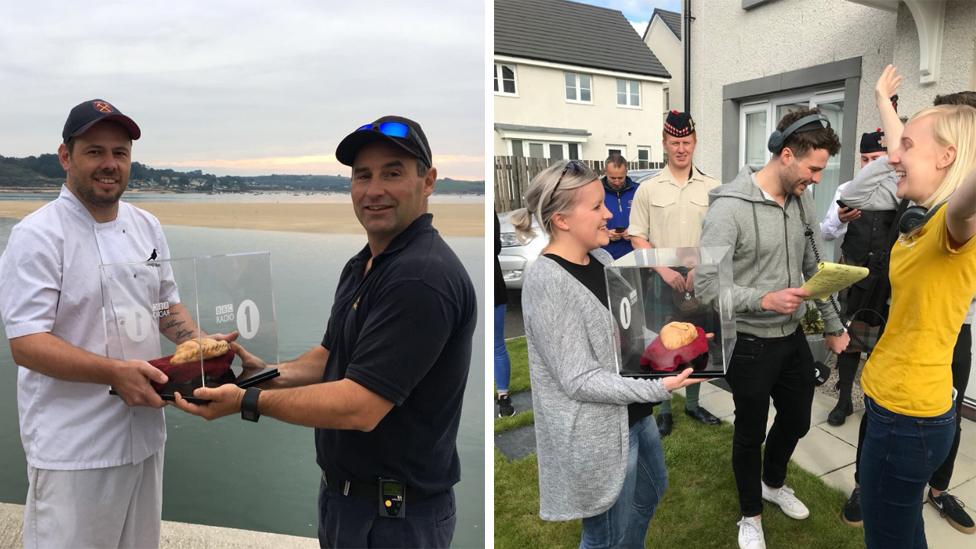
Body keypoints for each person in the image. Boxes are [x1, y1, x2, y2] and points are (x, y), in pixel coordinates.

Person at [174, 116, 476, 549]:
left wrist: (247, 400)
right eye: (363, 176)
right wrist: (266, 372)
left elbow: (360, 407)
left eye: (393, 173)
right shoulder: (366, 264)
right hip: (348, 504)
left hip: (396, 519)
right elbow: (331, 356)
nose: (374, 190)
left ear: (428, 181)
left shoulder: (420, 278)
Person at [0, 99, 204, 548]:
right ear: (65, 156)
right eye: (95, 151)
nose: (109, 164)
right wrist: (114, 372)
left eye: (120, 152)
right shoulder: (36, 235)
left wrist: (201, 346)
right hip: (74, 446)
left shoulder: (147, 225)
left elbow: (165, 305)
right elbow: (27, 342)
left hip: (146, 436)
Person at [512, 159, 706, 548]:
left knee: (652, 491)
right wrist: (658, 388)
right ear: (562, 220)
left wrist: (685, 339)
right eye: (597, 206)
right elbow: (579, 379)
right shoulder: (546, 281)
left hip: (633, 415)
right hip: (596, 432)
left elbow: (626, 329)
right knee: (604, 535)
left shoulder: (600, 260)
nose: (608, 214)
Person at [696, 108, 850, 549]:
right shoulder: (729, 209)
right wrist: (761, 299)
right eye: (814, 168)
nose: (818, 179)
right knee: (750, 432)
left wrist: (835, 326)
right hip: (748, 345)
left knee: (799, 421)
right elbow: (705, 286)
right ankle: (750, 515)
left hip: (793, 339)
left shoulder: (800, 200)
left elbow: (814, 268)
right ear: (786, 154)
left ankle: (772, 482)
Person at [839, 65, 976, 541]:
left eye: (908, 148)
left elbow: (964, 199)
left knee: (890, 534)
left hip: (910, 415)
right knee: (890, 525)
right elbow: (907, 151)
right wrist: (883, 101)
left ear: (949, 158)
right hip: (890, 400)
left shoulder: (954, 225)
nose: (894, 157)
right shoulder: (924, 217)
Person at [630, 110, 723, 436]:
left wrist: (701, 268)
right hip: (661, 276)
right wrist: (663, 268)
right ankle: (665, 407)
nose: (681, 148)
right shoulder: (648, 189)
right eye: (674, 143)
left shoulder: (714, 187)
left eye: (686, 142)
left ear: (694, 142)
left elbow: (721, 235)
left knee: (698, 342)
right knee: (663, 343)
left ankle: (694, 404)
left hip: (701, 276)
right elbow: (637, 235)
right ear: (664, 144)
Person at [819, 128, 895, 427]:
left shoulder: (901, 194)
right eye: (864, 159)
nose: (868, 166)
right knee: (848, 339)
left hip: (886, 281)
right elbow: (825, 232)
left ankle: (876, 402)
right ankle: (844, 401)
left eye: (876, 159)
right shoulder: (848, 190)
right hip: (852, 274)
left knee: (884, 345)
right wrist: (839, 219)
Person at [495, 212, 516, 417]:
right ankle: (503, 398)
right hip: (494, 284)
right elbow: (496, 246)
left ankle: (503, 396)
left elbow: (496, 246)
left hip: (494, 286)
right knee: (497, 345)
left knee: (497, 345)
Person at [601, 154, 639, 259]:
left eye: (620, 178)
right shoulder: (596, 192)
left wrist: (635, 232)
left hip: (634, 254)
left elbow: (650, 221)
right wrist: (604, 233)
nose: (617, 182)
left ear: (626, 172)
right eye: (612, 178)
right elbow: (586, 224)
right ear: (605, 172)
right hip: (606, 256)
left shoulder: (638, 191)